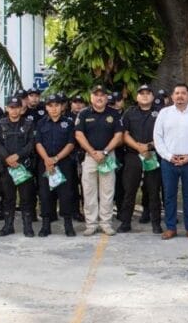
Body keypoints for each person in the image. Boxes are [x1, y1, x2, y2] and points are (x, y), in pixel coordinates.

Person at [153, 83, 188, 240]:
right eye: (177, 93)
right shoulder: (164, 113)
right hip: (169, 161)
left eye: (183, 93)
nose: (180, 96)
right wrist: (168, 156)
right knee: (169, 195)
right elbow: (157, 137)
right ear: (172, 96)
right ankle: (171, 228)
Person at [74, 84, 123, 236]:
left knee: (107, 191)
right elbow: (79, 135)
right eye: (96, 95)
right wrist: (92, 152)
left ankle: (106, 223)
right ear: (91, 97)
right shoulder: (83, 114)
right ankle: (91, 224)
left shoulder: (114, 114)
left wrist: (105, 151)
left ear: (107, 98)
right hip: (90, 157)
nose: (99, 98)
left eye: (102, 95)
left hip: (108, 156)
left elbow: (119, 136)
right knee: (89, 191)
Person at [119, 84, 162, 234]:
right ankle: (125, 223)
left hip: (152, 155)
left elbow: (165, 134)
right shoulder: (129, 113)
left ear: (153, 96)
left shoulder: (160, 113)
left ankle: (156, 224)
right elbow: (124, 134)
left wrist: (149, 146)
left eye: (148, 93)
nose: (144, 96)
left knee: (154, 191)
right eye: (141, 93)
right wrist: (139, 147)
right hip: (133, 156)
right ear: (137, 97)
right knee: (129, 191)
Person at [35, 93, 78, 237]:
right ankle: (45, 226)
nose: (54, 108)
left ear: (62, 106)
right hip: (45, 163)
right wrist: (47, 159)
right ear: (46, 107)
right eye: (50, 105)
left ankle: (68, 225)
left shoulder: (69, 123)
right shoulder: (41, 123)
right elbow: (38, 143)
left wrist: (56, 158)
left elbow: (71, 144)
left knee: (66, 195)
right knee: (45, 194)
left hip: (64, 163)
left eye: (57, 105)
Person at [0, 95, 37, 237]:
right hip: (7, 166)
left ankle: (27, 227)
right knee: (8, 198)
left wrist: (18, 156)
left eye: (17, 107)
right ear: (7, 108)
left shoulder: (28, 124)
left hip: (23, 166)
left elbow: (31, 143)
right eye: (11, 108)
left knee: (26, 198)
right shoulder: (0, 124)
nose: (14, 110)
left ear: (21, 109)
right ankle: (8, 226)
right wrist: (7, 158)